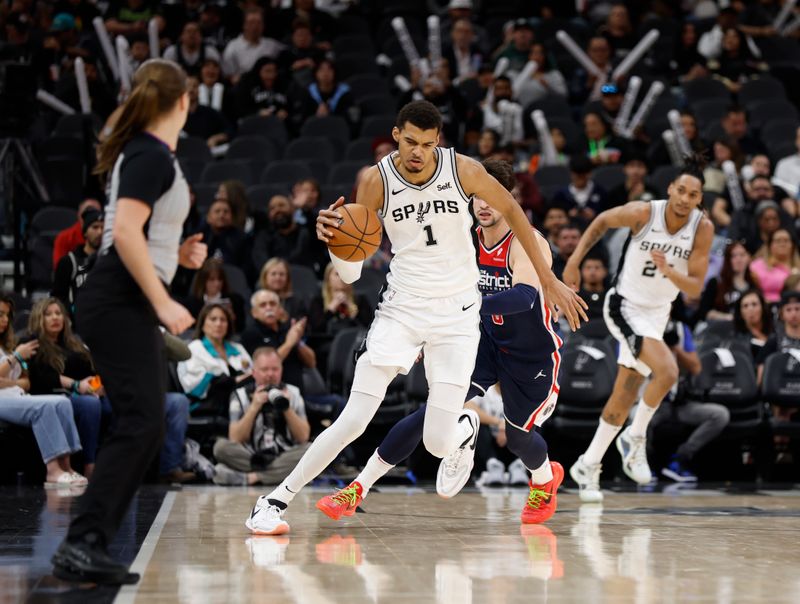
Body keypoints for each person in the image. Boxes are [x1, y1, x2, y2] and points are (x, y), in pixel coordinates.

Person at [245, 101, 586, 535]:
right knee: (353, 417)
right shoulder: (376, 180)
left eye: (427, 144)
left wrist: (548, 279)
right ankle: (274, 501)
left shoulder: (463, 170)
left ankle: (463, 427)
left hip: (460, 319)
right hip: (402, 309)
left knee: (438, 441)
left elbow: (516, 214)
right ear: (395, 135)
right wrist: (335, 242)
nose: (418, 152)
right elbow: (353, 266)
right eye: (409, 142)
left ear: (437, 142)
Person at [315, 159, 566, 526]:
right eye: (478, 197)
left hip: (531, 353)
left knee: (517, 438)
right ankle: (357, 488)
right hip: (483, 342)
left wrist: (461, 303)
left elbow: (524, 297)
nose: (483, 205)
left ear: (507, 199)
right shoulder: (462, 238)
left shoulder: (525, 240)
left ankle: (545, 477)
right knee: (430, 412)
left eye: (492, 198)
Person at [52, 59, 207, 585]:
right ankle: (83, 543)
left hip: (121, 297)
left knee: (144, 422)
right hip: (119, 297)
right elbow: (124, 230)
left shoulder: (149, 153)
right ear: (183, 101)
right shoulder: (150, 154)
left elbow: (144, 232)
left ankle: (85, 542)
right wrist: (163, 301)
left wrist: (177, 256)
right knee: (143, 421)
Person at [564, 154, 714, 503]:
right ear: (670, 189)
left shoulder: (702, 229)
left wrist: (669, 270)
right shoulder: (645, 213)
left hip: (658, 313)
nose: (684, 199)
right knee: (667, 370)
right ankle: (636, 435)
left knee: (625, 392)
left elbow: (693, 288)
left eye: (693, 195)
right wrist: (573, 261)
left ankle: (588, 464)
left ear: (699, 200)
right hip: (624, 306)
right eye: (680, 190)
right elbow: (601, 220)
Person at [0, 293, 87, 488]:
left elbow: (25, 382)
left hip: (16, 396)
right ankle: (53, 471)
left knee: (63, 402)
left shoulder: (7, 346)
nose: (5, 320)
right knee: (42, 407)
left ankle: (67, 466)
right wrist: (14, 358)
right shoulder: (15, 352)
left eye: (7, 315)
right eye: (0, 315)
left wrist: (8, 381)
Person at [212, 347, 312, 486]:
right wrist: (254, 407)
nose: (270, 374)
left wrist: (286, 408)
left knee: (311, 450)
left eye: (275, 369)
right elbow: (235, 438)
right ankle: (282, 475)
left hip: (284, 454)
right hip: (250, 455)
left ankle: (250, 478)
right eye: (265, 369)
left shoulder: (293, 393)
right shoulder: (239, 395)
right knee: (220, 447)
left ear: (281, 370)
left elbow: (303, 437)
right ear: (254, 372)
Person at [26, 298, 102, 478]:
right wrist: (76, 385)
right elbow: (41, 377)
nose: (55, 318)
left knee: (118, 405)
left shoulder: (73, 342)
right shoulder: (32, 342)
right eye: (49, 314)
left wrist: (98, 385)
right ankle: (89, 464)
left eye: (58, 313)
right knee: (90, 405)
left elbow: (92, 370)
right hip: (54, 396)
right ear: (39, 318)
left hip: (85, 392)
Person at [648, 314, 730, 482]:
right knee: (636, 418)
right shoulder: (639, 326)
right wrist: (659, 347)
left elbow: (696, 367)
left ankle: (680, 459)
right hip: (650, 402)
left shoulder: (680, 328)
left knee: (719, 414)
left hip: (681, 402)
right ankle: (645, 464)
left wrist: (676, 348)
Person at [178, 304, 252, 413]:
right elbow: (195, 387)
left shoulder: (238, 348)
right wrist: (233, 381)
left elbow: (253, 372)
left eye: (223, 320)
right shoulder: (194, 348)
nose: (218, 324)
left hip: (243, 398)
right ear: (203, 324)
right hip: (208, 403)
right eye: (213, 319)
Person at [241, 290, 315, 391]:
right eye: (263, 305)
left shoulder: (287, 329)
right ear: (254, 313)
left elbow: (311, 363)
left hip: (297, 393)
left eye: (273, 304)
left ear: (280, 309)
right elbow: (265, 365)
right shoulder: (250, 334)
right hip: (268, 394)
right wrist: (289, 343)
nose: (269, 308)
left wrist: (297, 341)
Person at [51, 208, 103, 319]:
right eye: (95, 227)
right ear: (85, 232)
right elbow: (57, 299)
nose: (99, 232)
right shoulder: (69, 262)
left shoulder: (108, 261)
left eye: (103, 228)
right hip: (75, 326)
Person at [695, 241, 759, 324]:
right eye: (734, 256)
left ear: (748, 258)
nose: (739, 259)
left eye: (742, 255)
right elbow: (704, 312)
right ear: (728, 260)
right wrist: (728, 317)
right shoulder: (716, 283)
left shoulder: (753, 284)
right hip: (718, 328)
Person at [184, 258, 246, 333]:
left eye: (220, 279)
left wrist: (232, 320)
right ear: (203, 281)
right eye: (212, 279)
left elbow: (241, 328)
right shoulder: (192, 303)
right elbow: (190, 329)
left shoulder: (235, 300)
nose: (217, 284)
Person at [749, 229, 800, 303]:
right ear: (770, 245)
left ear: (792, 245)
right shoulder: (757, 265)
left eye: (786, 240)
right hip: (766, 307)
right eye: (778, 241)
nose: (782, 244)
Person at [52, 199, 102, 269]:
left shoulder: (107, 237)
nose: (91, 216)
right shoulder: (64, 238)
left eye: (96, 212)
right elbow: (59, 269)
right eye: (87, 212)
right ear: (79, 214)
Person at [733, 289, 773, 360]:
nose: (750, 309)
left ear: (763, 307)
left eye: (754, 304)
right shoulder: (736, 338)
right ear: (740, 313)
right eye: (745, 306)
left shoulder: (776, 330)